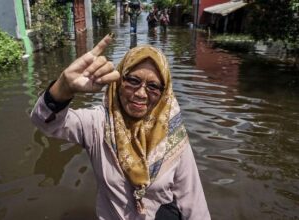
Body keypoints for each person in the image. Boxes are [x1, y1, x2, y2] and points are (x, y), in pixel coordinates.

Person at [30, 34, 211, 219]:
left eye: (153, 86)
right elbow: (45, 122)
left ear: (164, 93)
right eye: (133, 81)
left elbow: (193, 203)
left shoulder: (173, 135)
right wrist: (63, 87)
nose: (141, 93)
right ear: (118, 82)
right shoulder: (98, 124)